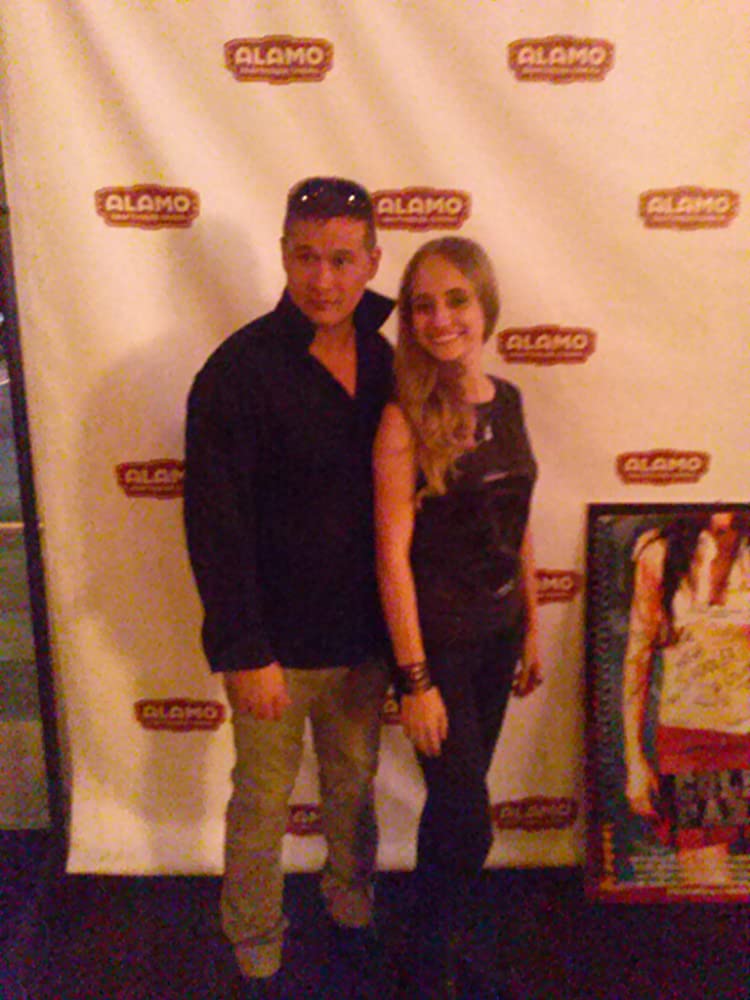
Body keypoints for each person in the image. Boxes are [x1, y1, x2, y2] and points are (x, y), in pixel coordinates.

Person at [183, 177, 394, 996]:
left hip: (367, 639)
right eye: (306, 257)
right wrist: (244, 649)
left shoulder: (393, 359)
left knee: (354, 791)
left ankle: (350, 910)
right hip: (273, 647)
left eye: (342, 259)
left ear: (372, 261)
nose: (323, 278)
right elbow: (215, 523)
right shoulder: (236, 372)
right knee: (262, 805)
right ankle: (256, 953)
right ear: (282, 255)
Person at [372, 237, 542, 999]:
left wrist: (532, 625)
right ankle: (428, 957)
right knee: (470, 816)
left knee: (453, 808)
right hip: (437, 646)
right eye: (423, 305)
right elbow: (390, 558)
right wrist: (414, 680)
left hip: (499, 637)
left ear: (484, 304)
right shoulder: (404, 419)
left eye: (456, 300)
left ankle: (430, 947)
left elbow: (518, 521)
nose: (440, 319)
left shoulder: (508, 399)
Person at [622, 510, 750, 887]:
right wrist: (634, 759)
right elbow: (637, 658)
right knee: (708, 890)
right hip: (696, 741)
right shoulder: (660, 554)